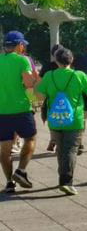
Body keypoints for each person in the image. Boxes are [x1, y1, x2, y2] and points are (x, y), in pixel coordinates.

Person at [35, 47, 87, 195]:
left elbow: (39, 96)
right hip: (75, 120)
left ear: (56, 60)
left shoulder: (49, 75)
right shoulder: (79, 75)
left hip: (55, 119)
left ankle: (62, 176)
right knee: (71, 149)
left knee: (60, 148)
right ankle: (66, 181)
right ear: (71, 60)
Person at [0, 31, 38, 194]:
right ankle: (21, 171)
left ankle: (9, 182)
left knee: (5, 148)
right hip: (21, 108)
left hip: (2, 110)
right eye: (23, 45)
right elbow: (29, 83)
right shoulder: (23, 60)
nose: (23, 48)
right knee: (30, 138)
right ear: (18, 45)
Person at [39, 44, 63, 153]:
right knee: (64, 119)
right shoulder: (67, 65)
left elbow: (40, 82)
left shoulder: (47, 66)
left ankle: (53, 140)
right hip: (65, 97)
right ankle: (58, 142)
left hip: (51, 97)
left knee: (53, 120)